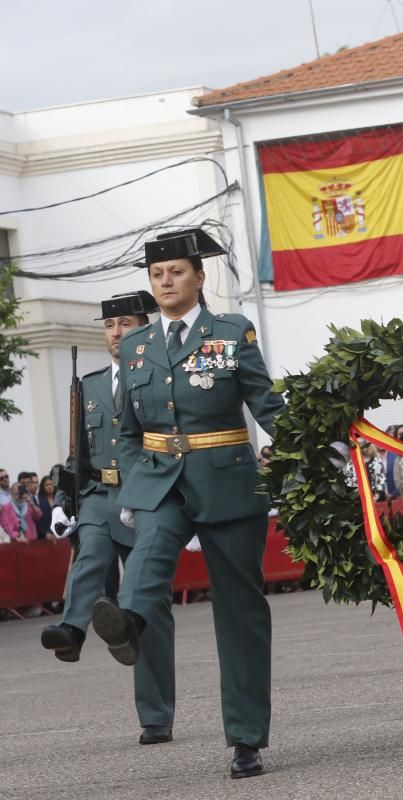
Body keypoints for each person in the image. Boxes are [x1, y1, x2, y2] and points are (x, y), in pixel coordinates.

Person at [88, 228, 284, 779]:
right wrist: (132, 486)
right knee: (148, 550)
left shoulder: (231, 332)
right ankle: (127, 623)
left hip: (225, 480)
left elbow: (265, 403)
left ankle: (246, 739)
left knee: (239, 612)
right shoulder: (136, 346)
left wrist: (315, 444)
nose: (166, 281)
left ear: (199, 277)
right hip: (158, 480)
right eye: (156, 275)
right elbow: (127, 429)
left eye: (175, 272)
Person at [39, 291, 177, 744]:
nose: (116, 334)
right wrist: (62, 499)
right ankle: (73, 630)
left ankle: (155, 715)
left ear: (147, 328)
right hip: (99, 492)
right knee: (91, 551)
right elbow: (76, 452)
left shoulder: (164, 378)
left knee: (150, 608)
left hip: (146, 497)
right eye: (109, 326)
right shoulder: (89, 385)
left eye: (127, 324)